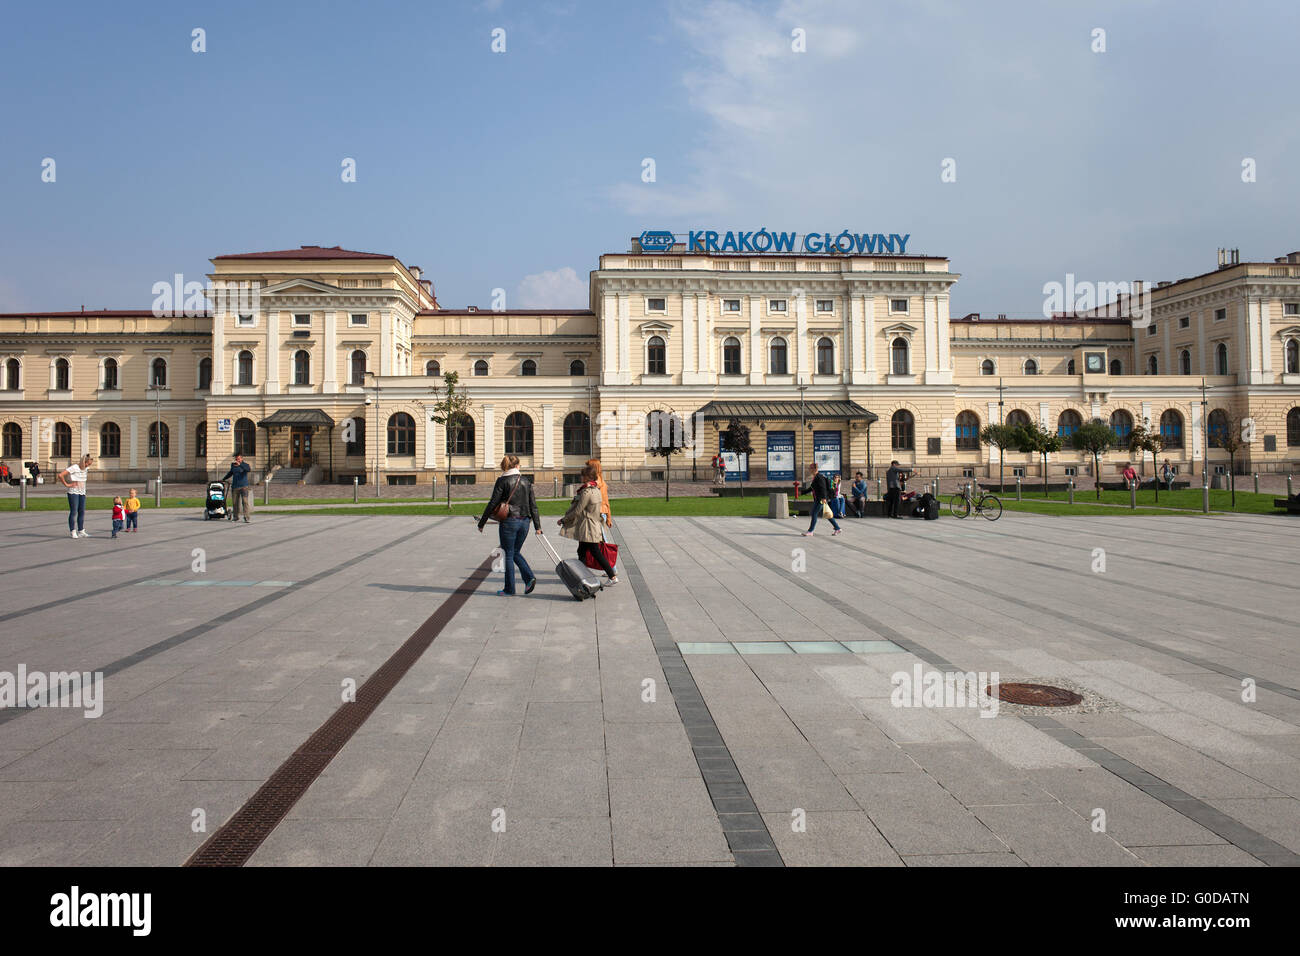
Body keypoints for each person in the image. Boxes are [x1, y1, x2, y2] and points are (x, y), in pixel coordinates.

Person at [478, 454, 541, 596]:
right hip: (525, 521)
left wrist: (482, 523)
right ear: (518, 465)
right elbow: (533, 505)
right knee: (515, 552)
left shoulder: (502, 480)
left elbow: (493, 503)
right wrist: (538, 526)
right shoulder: (526, 480)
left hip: (509, 522)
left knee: (508, 554)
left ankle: (510, 589)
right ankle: (529, 578)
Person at [559, 463, 618, 584]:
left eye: (583, 476)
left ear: (587, 477)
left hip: (588, 527)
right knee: (581, 552)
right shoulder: (596, 490)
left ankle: (612, 576)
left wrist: (563, 520)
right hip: (592, 525)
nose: (581, 478)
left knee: (596, 553)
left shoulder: (586, 492)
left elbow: (577, 511)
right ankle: (583, 576)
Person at [801, 463, 841, 536]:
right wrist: (802, 492)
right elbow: (812, 488)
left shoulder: (819, 477)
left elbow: (823, 488)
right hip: (819, 499)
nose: (809, 470)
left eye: (810, 468)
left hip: (820, 499)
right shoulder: (816, 477)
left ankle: (810, 531)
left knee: (814, 513)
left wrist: (824, 498)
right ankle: (837, 528)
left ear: (815, 469)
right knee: (827, 514)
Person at [58, 454, 93, 538]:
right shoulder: (74, 467)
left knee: (81, 511)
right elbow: (61, 475)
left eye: (89, 464)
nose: (88, 465)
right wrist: (67, 484)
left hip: (82, 492)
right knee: (74, 511)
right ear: (83, 462)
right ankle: (72, 531)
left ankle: (81, 530)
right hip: (73, 492)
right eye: (87, 463)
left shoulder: (86, 469)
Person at [221, 453, 253, 523]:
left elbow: (248, 469)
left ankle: (246, 517)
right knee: (235, 502)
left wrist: (240, 465)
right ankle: (235, 517)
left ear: (241, 458)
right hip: (235, 486)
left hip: (244, 486)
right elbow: (230, 473)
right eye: (236, 459)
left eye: (238, 458)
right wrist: (224, 479)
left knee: (245, 502)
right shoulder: (233, 465)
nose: (237, 460)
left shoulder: (245, 465)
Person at [586, 458, 613, 529]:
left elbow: (605, 501)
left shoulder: (598, 484)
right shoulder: (598, 481)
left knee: (598, 537)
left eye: (588, 467)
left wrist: (609, 517)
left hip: (597, 513)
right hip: (597, 512)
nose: (586, 469)